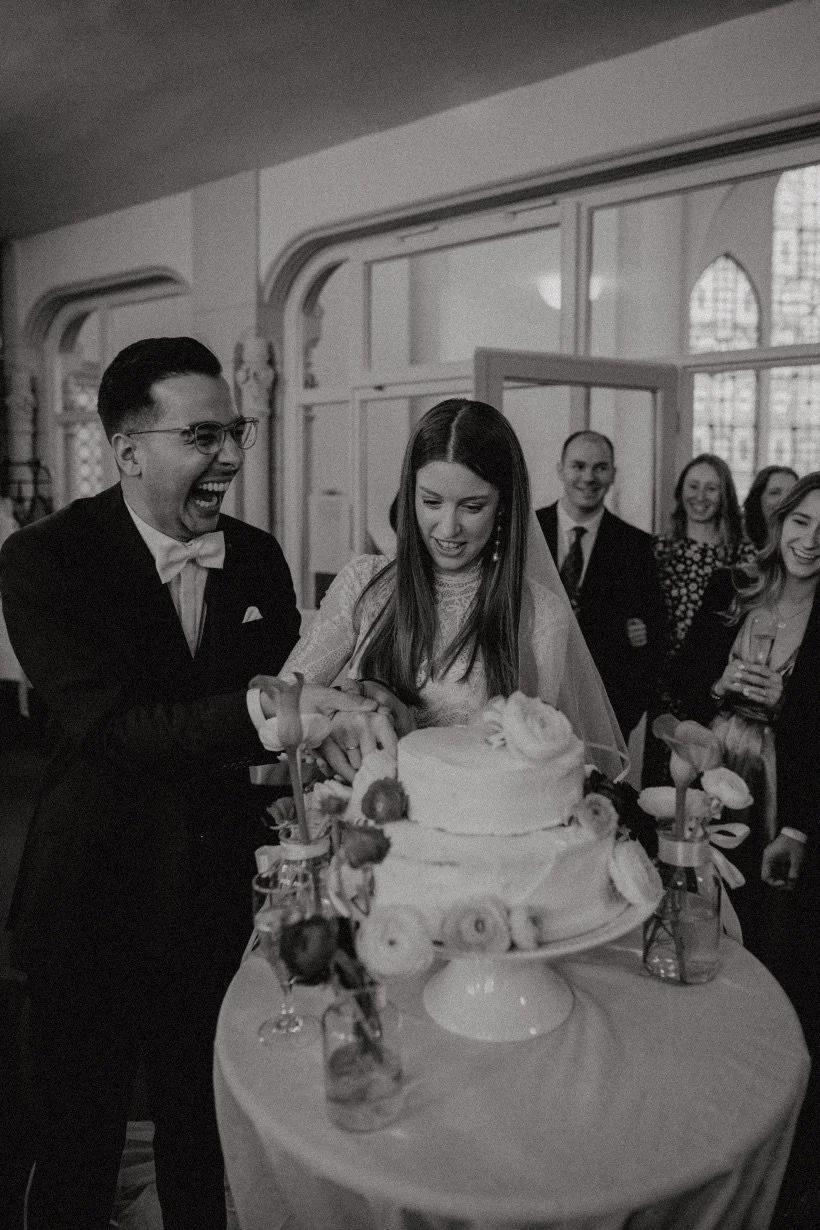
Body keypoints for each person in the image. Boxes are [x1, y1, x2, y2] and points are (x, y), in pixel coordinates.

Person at [0, 337, 372, 1230]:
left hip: (214, 901)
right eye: (203, 436)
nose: (232, 456)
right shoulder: (45, 559)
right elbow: (114, 730)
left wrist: (343, 716)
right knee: (78, 1148)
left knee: (204, 1137)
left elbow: (281, 697)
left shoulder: (255, 556)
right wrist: (270, 713)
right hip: (92, 896)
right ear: (129, 451)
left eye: (234, 431)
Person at [283, 399, 627, 784]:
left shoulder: (541, 613)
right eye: (431, 502)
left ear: (503, 506)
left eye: (472, 507)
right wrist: (340, 711)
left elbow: (532, 761)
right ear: (410, 494)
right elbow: (284, 700)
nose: (448, 528)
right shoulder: (363, 582)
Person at [669, 472, 820, 999]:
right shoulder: (729, 586)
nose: (810, 541)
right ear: (780, 523)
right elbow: (678, 687)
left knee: (765, 933)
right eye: (801, 521)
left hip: (782, 793)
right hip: (709, 772)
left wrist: (787, 705)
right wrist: (718, 684)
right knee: (695, 912)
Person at [535, 430, 665, 741]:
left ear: (613, 474)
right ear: (560, 470)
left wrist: (624, 714)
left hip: (604, 718)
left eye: (600, 468)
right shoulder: (528, 531)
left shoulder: (636, 546)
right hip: (529, 704)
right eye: (578, 466)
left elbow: (654, 637)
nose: (588, 478)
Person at [643, 453, 751, 784]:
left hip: (715, 688)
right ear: (680, 492)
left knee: (709, 782)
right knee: (661, 783)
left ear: (725, 496)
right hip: (665, 685)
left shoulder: (743, 557)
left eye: (711, 488)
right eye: (693, 486)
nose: (700, 497)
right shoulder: (658, 550)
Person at [743, 464, 799, 551]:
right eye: (775, 493)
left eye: (792, 493)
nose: (785, 500)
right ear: (757, 499)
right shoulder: (737, 543)